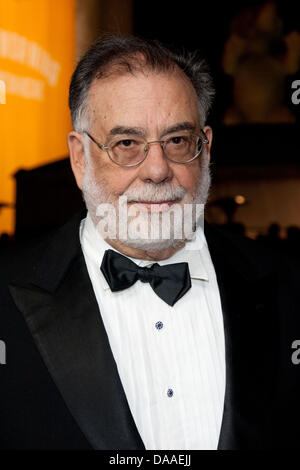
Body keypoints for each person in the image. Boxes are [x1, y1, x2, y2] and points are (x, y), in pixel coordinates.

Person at [0, 35, 299, 450]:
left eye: (177, 141)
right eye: (126, 144)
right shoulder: (6, 297)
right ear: (80, 157)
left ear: (205, 149)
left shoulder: (289, 287)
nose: (157, 170)